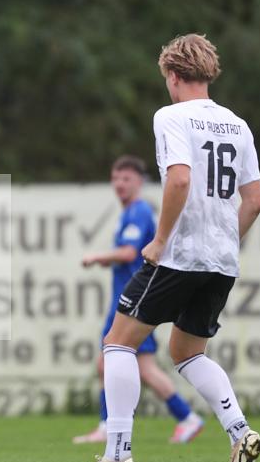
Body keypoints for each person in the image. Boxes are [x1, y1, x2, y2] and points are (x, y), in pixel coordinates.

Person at [69, 34, 260, 462]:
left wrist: (160, 241)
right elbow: (253, 202)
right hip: (222, 259)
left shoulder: (171, 115)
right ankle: (241, 432)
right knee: (186, 352)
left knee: (117, 344)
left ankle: (117, 455)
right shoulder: (238, 124)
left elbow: (178, 180)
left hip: (180, 254)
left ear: (173, 76)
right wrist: (222, 243)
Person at [73, 155, 204, 445]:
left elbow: (129, 253)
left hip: (132, 301)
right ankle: (180, 418)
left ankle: (182, 418)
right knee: (120, 364)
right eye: (116, 178)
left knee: (131, 365)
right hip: (128, 298)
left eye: (126, 179)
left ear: (140, 182)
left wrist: (97, 256)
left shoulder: (139, 211)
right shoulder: (130, 212)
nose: (119, 184)